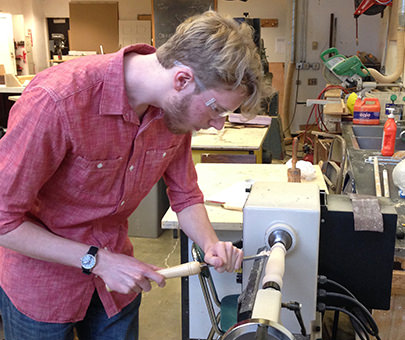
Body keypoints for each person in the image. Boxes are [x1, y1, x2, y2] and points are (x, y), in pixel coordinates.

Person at [0, 10, 266, 340]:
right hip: (42, 289)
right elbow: (3, 220)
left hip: (118, 287)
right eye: (217, 109)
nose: (218, 124)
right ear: (182, 80)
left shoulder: (173, 114)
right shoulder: (58, 102)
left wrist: (210, 244)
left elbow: (185, 195)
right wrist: (97, 261)